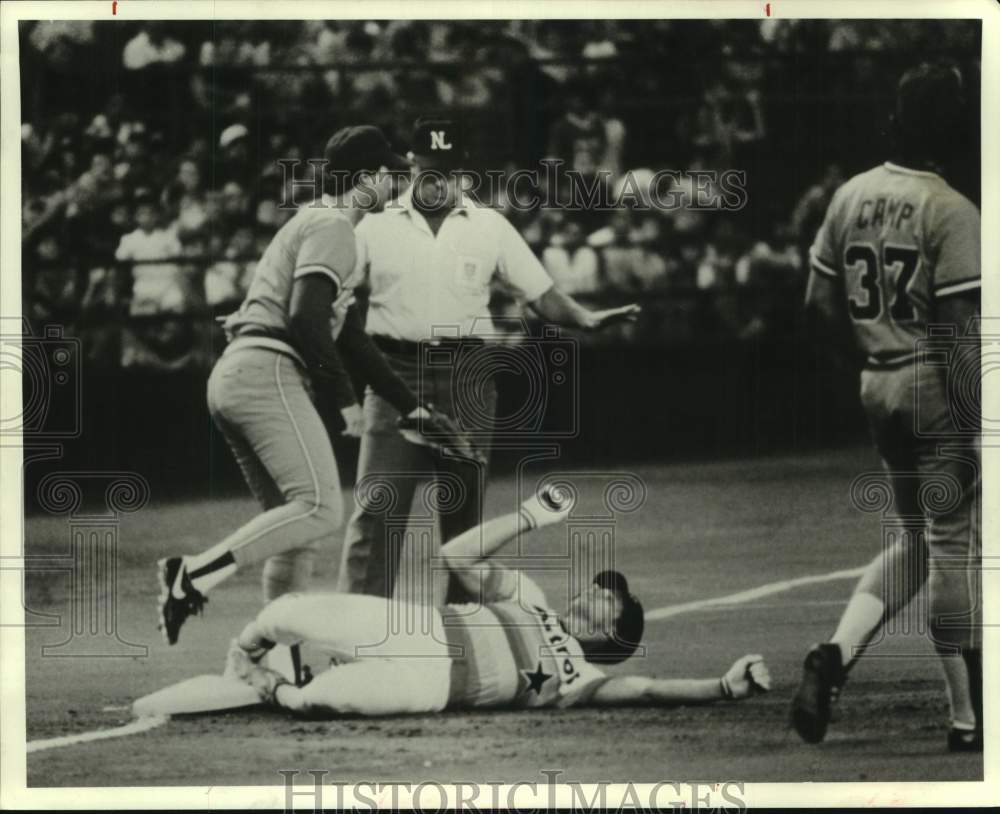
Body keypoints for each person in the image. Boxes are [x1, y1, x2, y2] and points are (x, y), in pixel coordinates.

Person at [157, 126, 471, 646]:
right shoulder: (334, 226)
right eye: (392, 175)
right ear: (368, 177)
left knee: (296, 535)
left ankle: (274, 655)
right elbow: (306, 318)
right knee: (321, 508)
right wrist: (346, 403)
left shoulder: (324, 223)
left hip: (241, 374)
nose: (397, 187)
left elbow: (351, 340)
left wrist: (412, 410)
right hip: (266, 371)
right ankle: (191, 575)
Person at [339, 117, 641, 605]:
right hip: (394, 375)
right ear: (411, 166)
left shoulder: (489, 225)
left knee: (464, 518)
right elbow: (337, 292)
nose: (436, 181)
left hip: (467, 377)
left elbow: (539, 292)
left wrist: (583, 318)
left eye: (447, 171)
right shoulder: (374, 223)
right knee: (377, 509)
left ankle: (467, 646)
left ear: (463, 171)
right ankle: (353, 637)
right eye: (427, 170)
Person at [792, 63, 981, 752]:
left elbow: (815, 307)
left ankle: (836, 655)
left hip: (879, 382)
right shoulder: (953, 208)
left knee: (912, 538)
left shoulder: (850, 194)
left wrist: (870, 366)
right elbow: (960, 328)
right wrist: (977, 419)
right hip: (935, 382)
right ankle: (969, 719)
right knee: (952, 544)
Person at [225, 486, 772, 715]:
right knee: (286, 612)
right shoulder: (529, 597)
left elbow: (652, 690)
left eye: (611, 598)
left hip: (432, 688)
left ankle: (271, 687)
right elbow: (454, 557)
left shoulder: (584, 681)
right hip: (419, 630)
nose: (597, 591)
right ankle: (245, 653)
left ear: (615, 632)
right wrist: (529, 517)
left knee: (321, 700)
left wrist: (723, 687)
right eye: (601, 586)